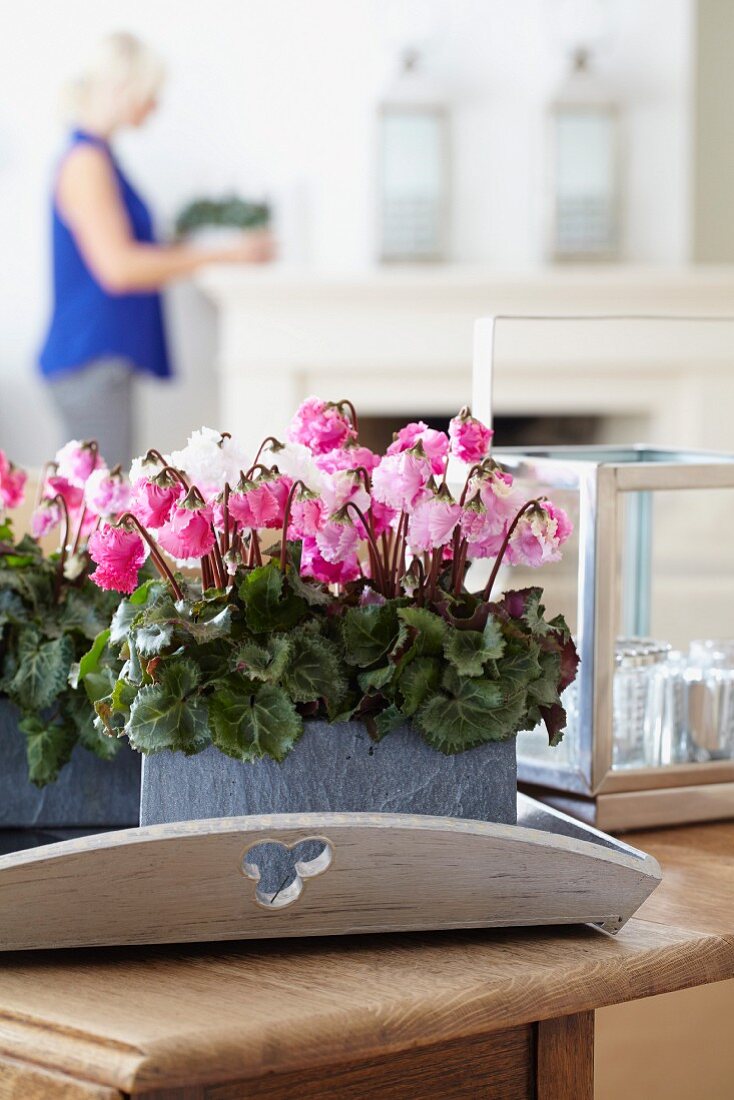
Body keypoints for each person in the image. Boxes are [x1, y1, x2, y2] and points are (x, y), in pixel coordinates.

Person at [39, 32, 271, 467]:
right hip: (89, 358)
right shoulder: (86, 163)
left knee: (106, 499)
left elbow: (129, 247)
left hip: (99, 360)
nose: (155, 106)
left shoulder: (99, 157)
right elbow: (119, 267)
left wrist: (210, 246)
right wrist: (226, 254)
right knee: (104, 506)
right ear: (124, 88)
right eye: (152, 93)